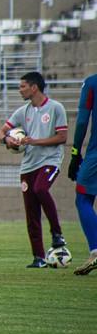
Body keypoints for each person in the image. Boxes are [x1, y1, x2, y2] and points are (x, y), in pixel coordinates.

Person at [0, 72, 68, 268]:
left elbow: (62, 137)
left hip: (49, 161)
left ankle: (57, 234)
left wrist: (34, 141)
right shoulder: (23, 111)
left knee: (41, 189)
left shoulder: (56, 108)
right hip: (28, 165)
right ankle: (39, 257)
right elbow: (0, 133)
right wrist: (7, 140)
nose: (20, 90)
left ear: (34, 87)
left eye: (22, 86)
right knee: (31, 212)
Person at [68, 71, 97, 275]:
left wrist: (75, 152)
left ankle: (95, 250)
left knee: (83, 197)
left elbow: (82, 120)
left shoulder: (92, 83)